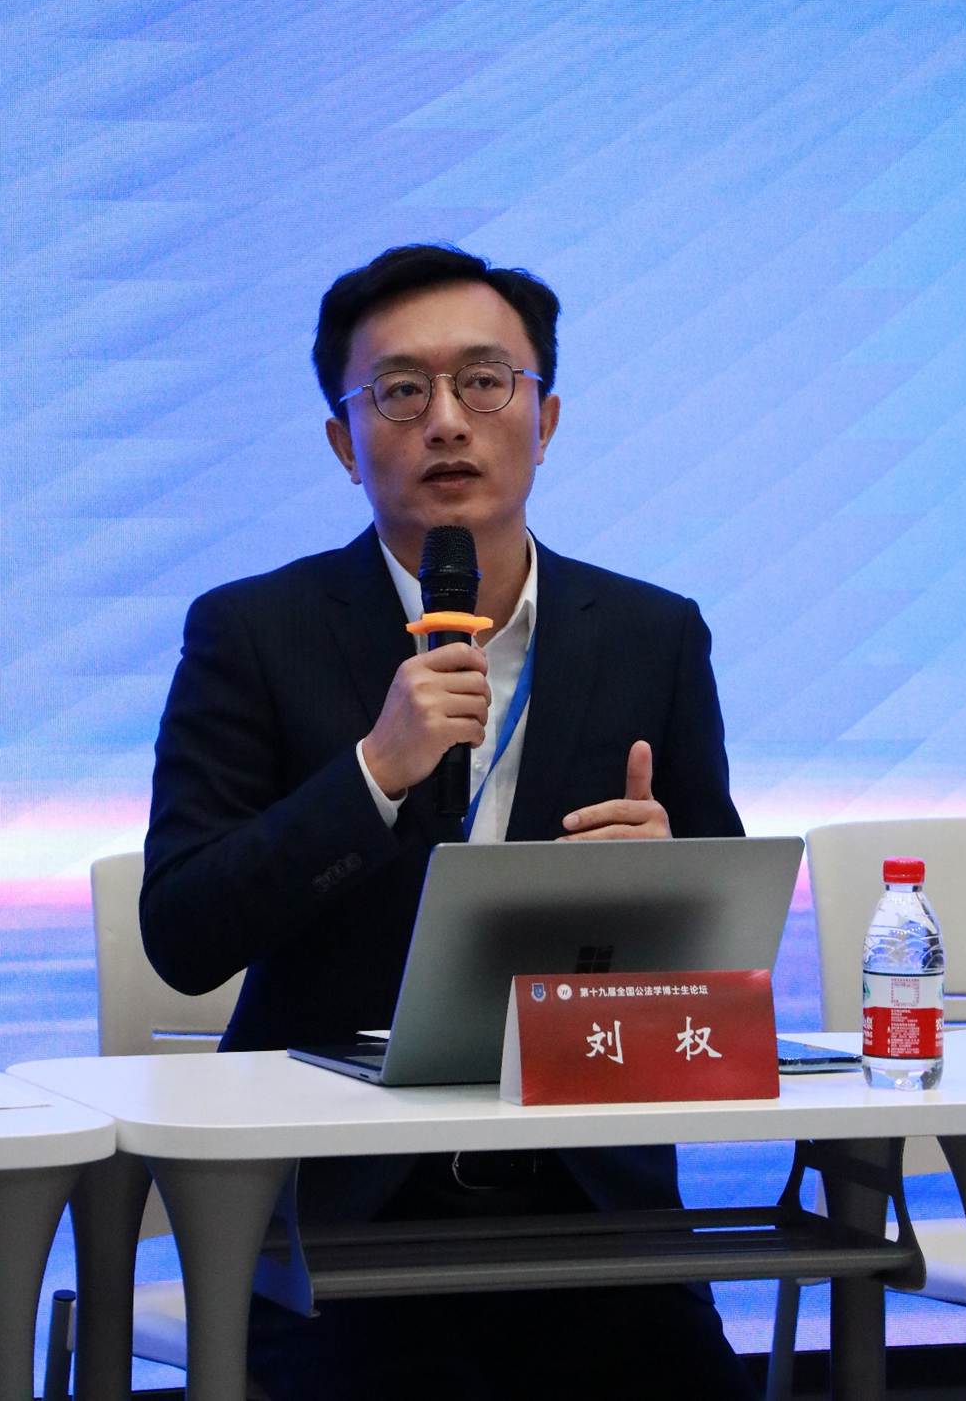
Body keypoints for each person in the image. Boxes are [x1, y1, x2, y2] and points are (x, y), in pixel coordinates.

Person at [141, 244, 753, 1400]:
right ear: (343, 441)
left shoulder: (652, 634)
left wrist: (670, 882)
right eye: (399, 390)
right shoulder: (253, 633)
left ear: (545, 417)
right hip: (337, 1211)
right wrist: (373, 771)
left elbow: (724, 967)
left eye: (484, 381)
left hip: (591, 1205)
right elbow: (181, 930)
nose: (447, 421)